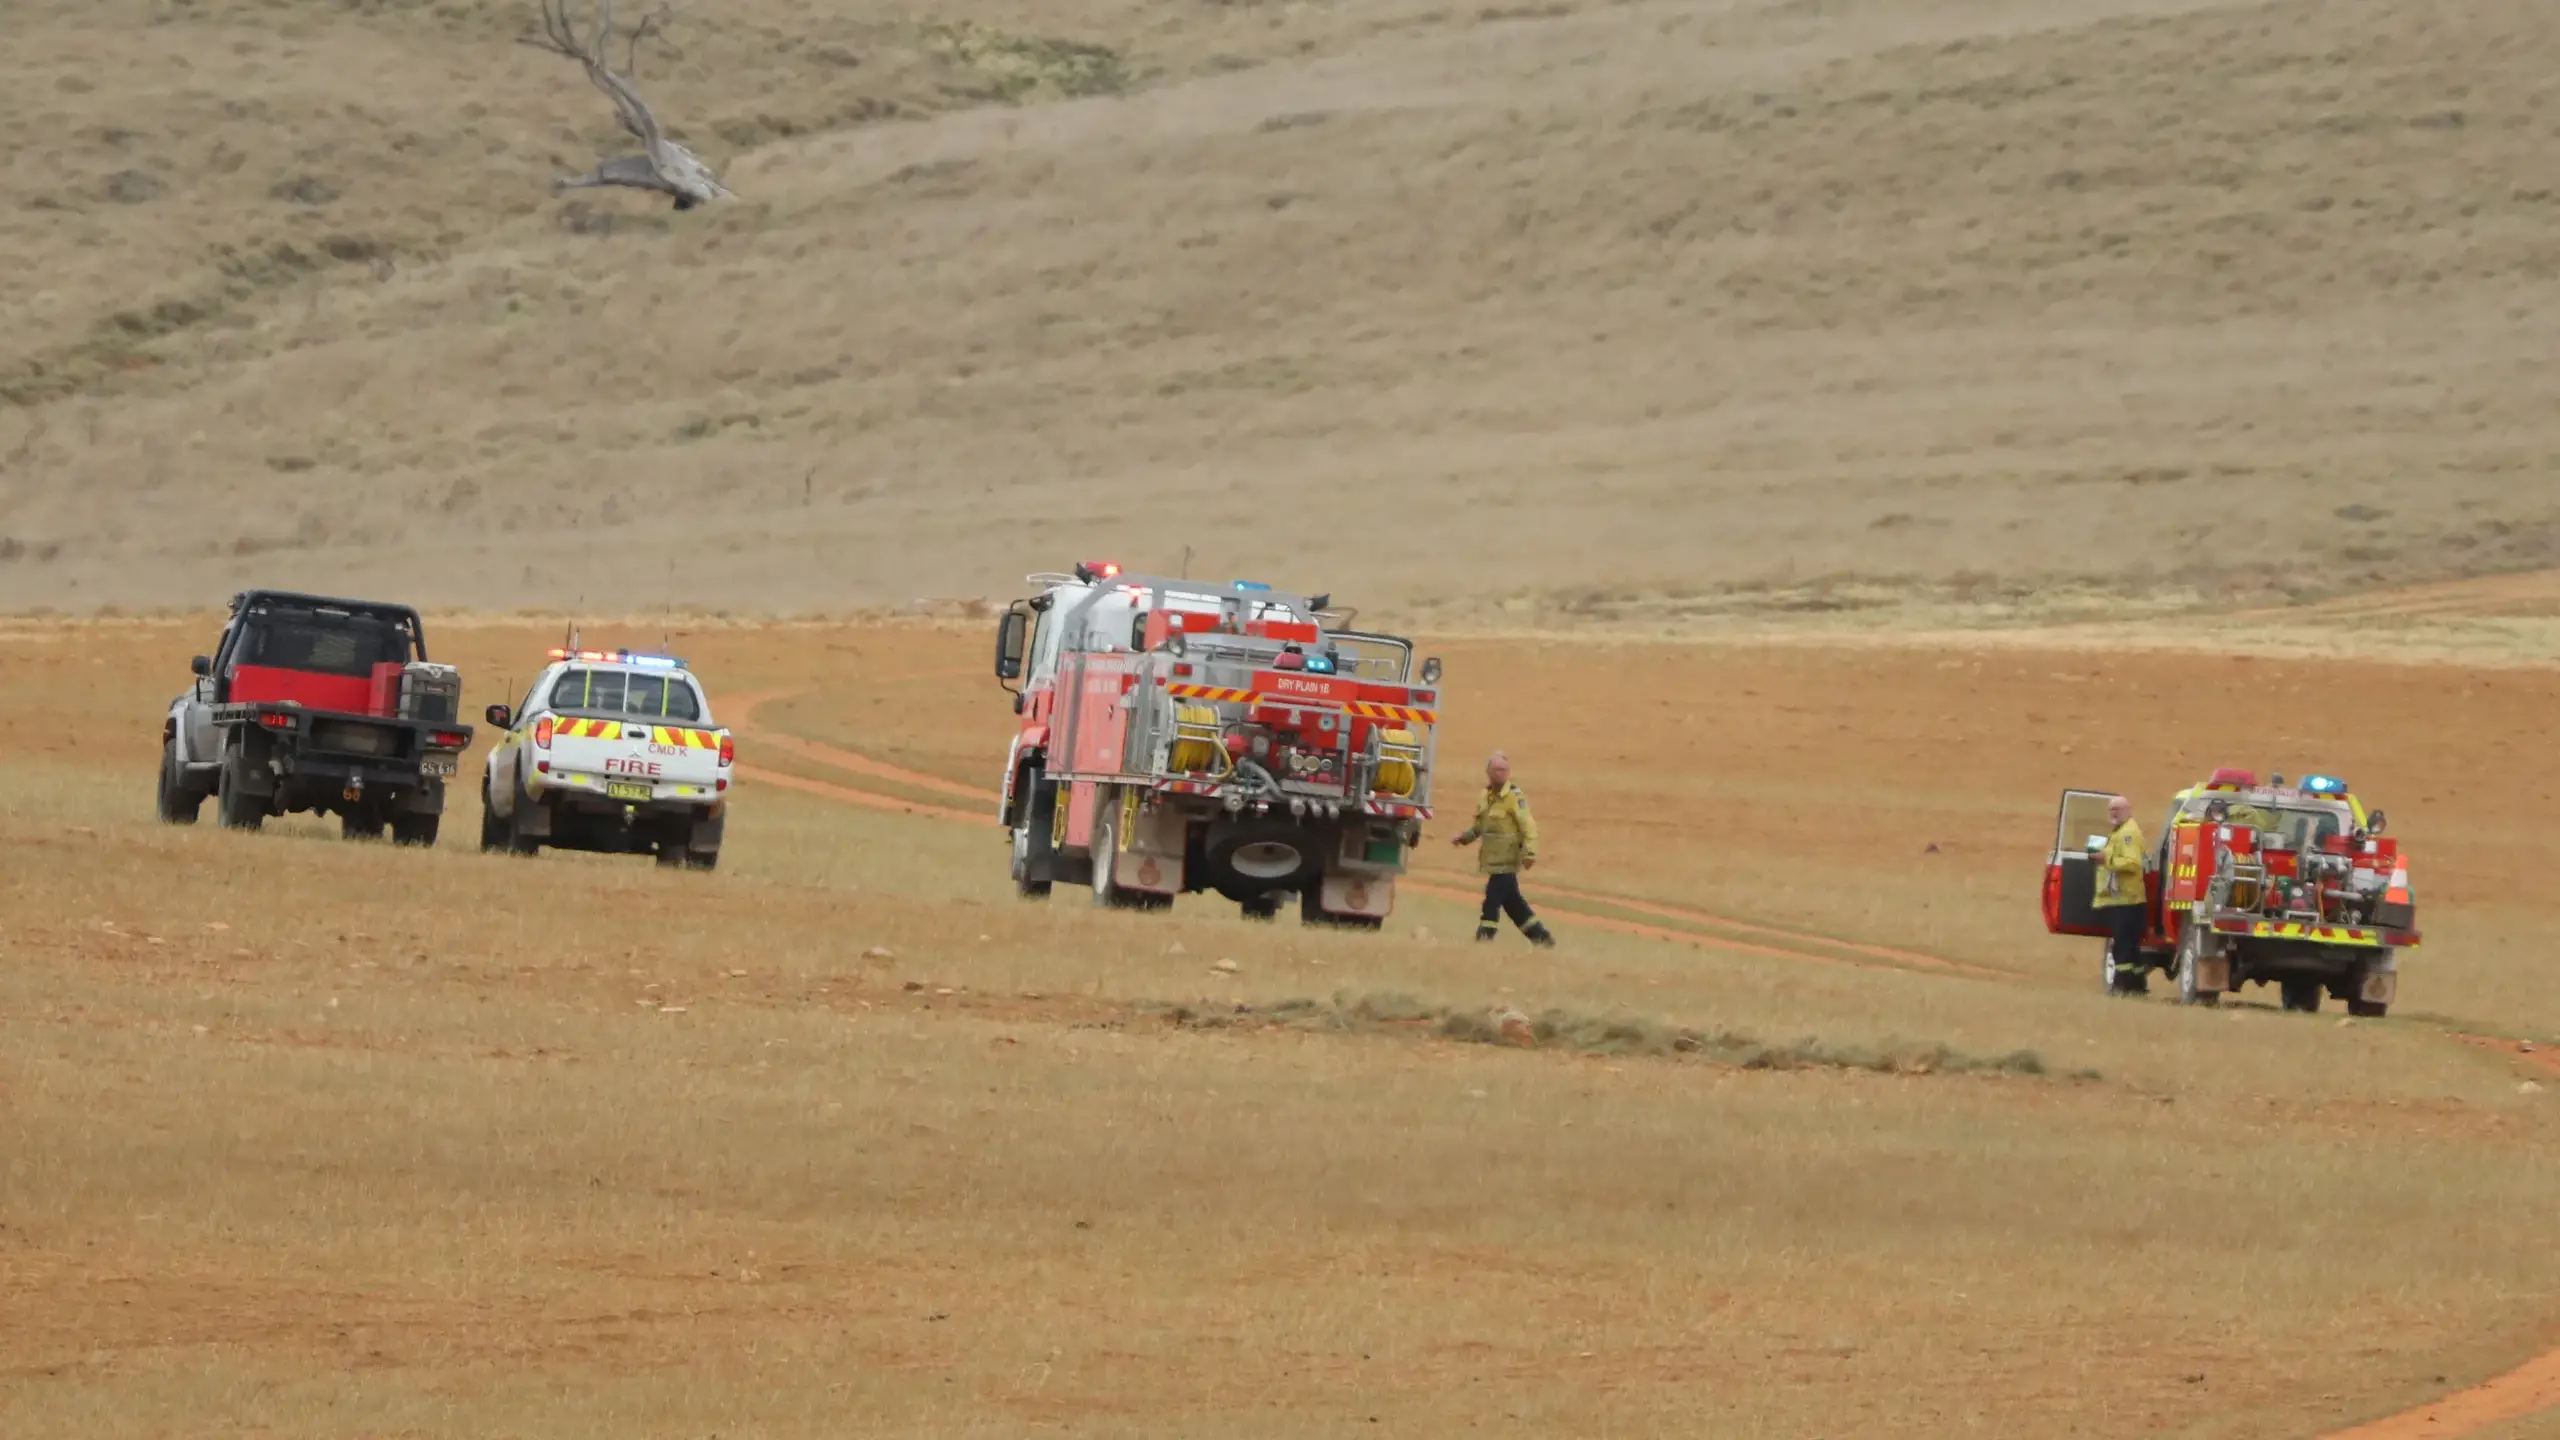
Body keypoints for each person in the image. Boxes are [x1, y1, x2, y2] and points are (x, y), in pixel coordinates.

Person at [1452, 751, 1555, 947]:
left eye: (1504, 770)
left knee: (1492, 898)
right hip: (1491, 859)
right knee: (1513, 903)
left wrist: (1531, 852)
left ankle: (1485, 935)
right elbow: (1480, 826)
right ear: (1488, 772)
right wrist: (1464, 838)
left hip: (1508, 860)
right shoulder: (1486, 796)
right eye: (1497, 769)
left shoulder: (1514, 797)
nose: (1501, 773)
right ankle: (1541, 937)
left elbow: (1528, 826)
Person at [2093, 794, 2151, 995]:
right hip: (2125, 899)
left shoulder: (2128, 833)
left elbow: (2132, 863)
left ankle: (2121, 986)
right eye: (2111, 809)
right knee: (2130, 947)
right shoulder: (2119, 831)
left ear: (2129, 811)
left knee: (2123, 947)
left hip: (2129, 900)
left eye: (2118, 809)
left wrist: (2106, 860)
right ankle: (2137, 986)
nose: (2114, 813)